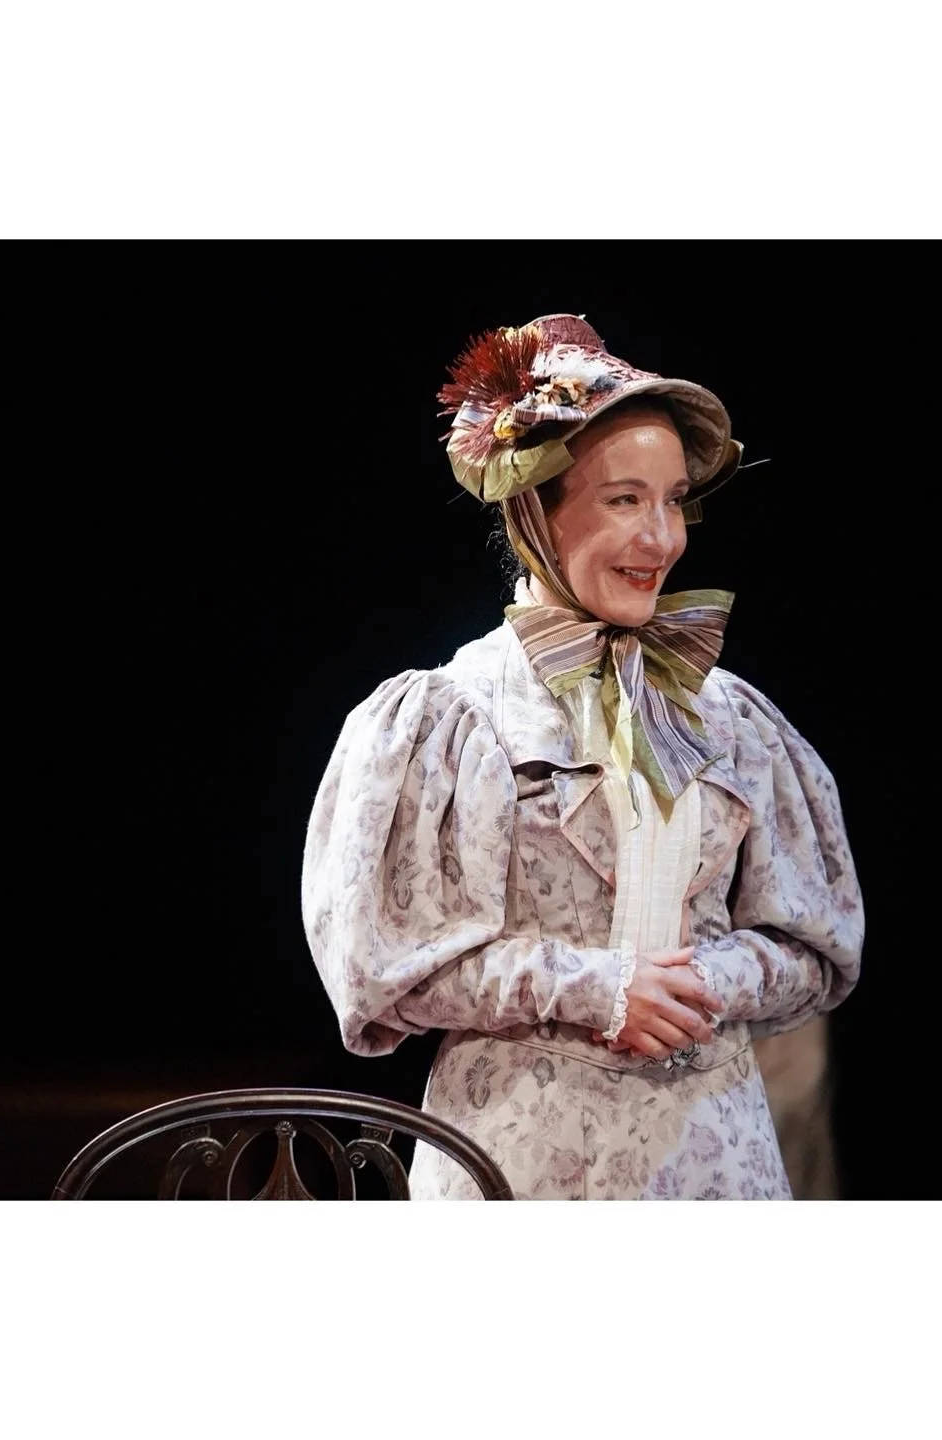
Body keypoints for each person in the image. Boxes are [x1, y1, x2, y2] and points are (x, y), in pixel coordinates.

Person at [301, 313, 864, 1199]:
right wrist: (595, 987)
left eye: (675, 499)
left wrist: (708, 980)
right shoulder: (454, 718)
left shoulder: (734, 721)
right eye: (625, 500)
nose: (662, 540)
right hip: (521, 1162)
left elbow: (815, 946)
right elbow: (383, 960)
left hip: (712, 1164)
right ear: (537, 511)